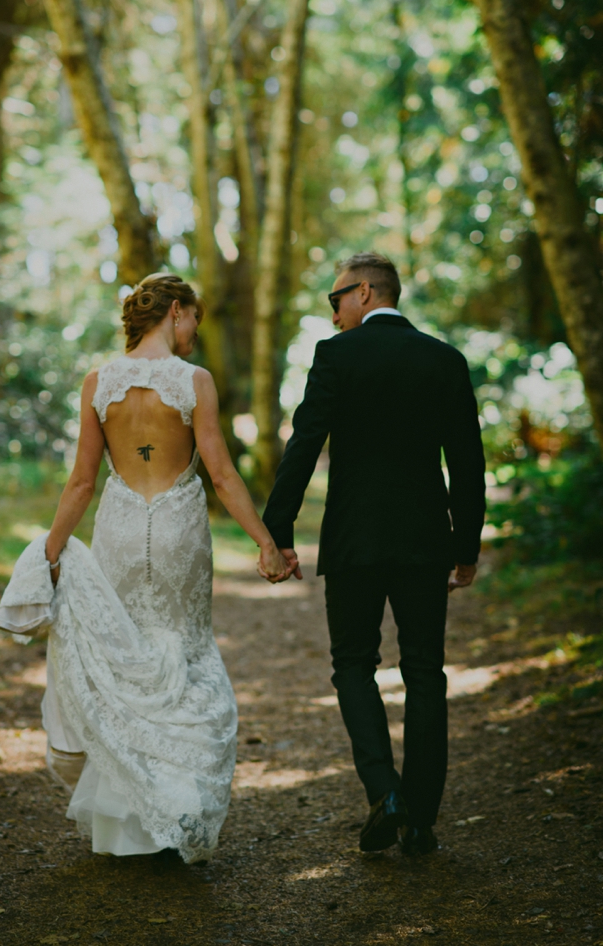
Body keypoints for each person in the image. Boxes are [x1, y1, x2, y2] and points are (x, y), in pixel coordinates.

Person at [0, 273, 290, 864]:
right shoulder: (194, 382)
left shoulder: (98, 382)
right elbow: (223, 476)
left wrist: (50, 554)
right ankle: (175, 809)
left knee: (125, 661)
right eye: (193, 324)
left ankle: (130, 825)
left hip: (121, 529)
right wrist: (267, 543)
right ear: (175, 312)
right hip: (179, 530)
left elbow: (81, 481)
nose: (192, 337)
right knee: (183, 652)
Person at [264, 252, 485, 856]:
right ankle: (421, 821)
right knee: (425, 673)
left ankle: (383, 791)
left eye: (334, 299)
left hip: (354, 540)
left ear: (363, 293)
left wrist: (277, 530)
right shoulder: (444, 359)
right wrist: (465, 545)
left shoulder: (337, 356)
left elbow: (304, 444)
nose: (331, 313)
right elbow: (467, 459)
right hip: (424, 541)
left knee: (354, 664)